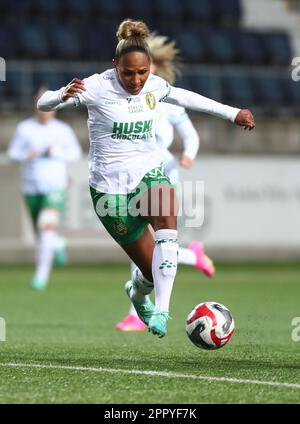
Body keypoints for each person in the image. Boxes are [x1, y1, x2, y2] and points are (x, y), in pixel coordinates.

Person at [37, 19, 255, 338]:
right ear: (115, 66)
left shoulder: (154, 85)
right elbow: (43, 103)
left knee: (168, 229)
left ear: (150, 67)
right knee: (149, 273)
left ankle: (163, 311)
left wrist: (233, 113)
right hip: (109, 192)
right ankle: (138, 295)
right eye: (128, 73)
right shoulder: (96, 87)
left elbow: (187, 98)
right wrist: (60, 95)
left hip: (149, 175)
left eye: (142, 72)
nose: (136, 80)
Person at [116, 32, 215, 332]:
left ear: (154, 68)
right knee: (146, 246)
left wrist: (190, 153)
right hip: (132, 176)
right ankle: (192, 255)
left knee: (150, 244)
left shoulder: (167, 100)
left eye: (147, 68)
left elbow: (191, 134)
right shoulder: (125, 99)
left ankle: (138, 313)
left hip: (162, 175)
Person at [7, 87, 82, 290]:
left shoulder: (62, 130)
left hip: (55, 186)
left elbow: (75, 153)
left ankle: (41, 276)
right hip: (32, 186)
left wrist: (57, 152)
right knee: (41, 235)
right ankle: (58, 243)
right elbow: (12, 153)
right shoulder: (25, 128)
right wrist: (26, 155)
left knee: (45, 227)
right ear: (36, 106)